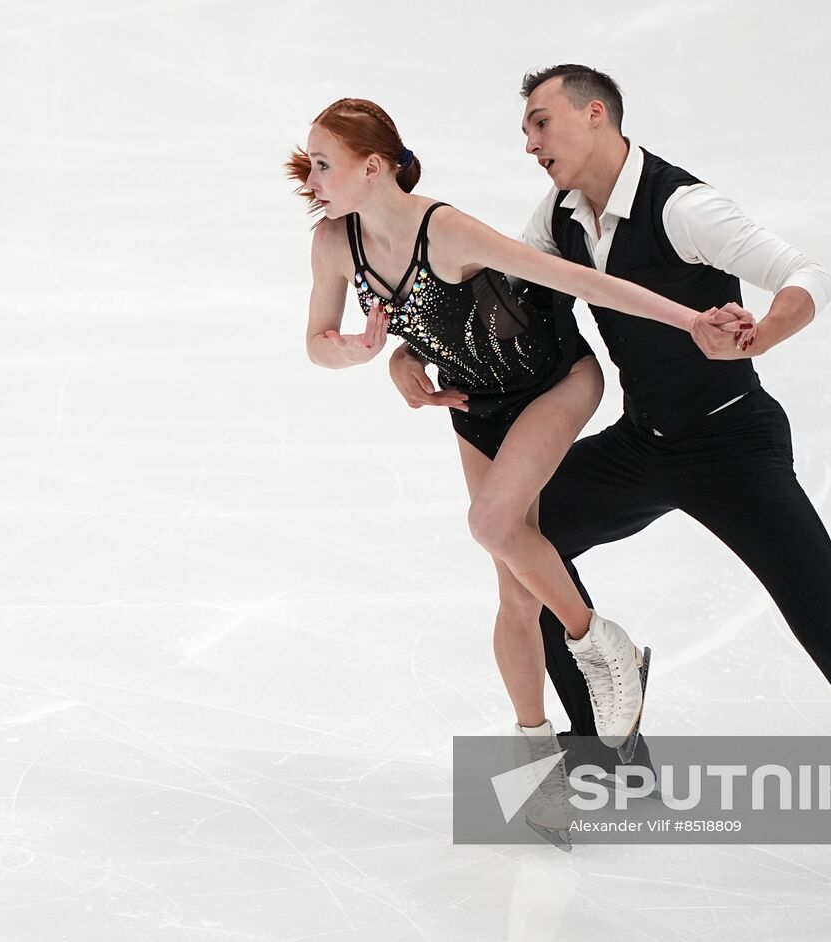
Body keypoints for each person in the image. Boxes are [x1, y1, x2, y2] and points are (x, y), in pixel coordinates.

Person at [387, 65, 831, 900]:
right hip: (645, 442)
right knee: (520, 541)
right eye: (526, 129)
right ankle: (609, 751)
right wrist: (409, 355)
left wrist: (764, 333)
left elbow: (808, 273)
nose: (529, 143)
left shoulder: (680, 207)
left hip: (735, 447)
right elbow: (481, 296)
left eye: (542, 123)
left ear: (596, 116)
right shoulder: (556, 219)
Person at [286, 97, 750, 848]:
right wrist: (364, 352)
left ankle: (604, 645)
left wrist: (689, 320)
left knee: (491, 524)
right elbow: (315, 340)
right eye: (309, 161)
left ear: (373, 166)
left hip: (553, 382)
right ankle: (539, 765)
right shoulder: (334, 244)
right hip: (473, 405)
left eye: (324, 162)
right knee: (510, 592)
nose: (311, 176)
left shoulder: (449, 229)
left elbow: (574, 279)